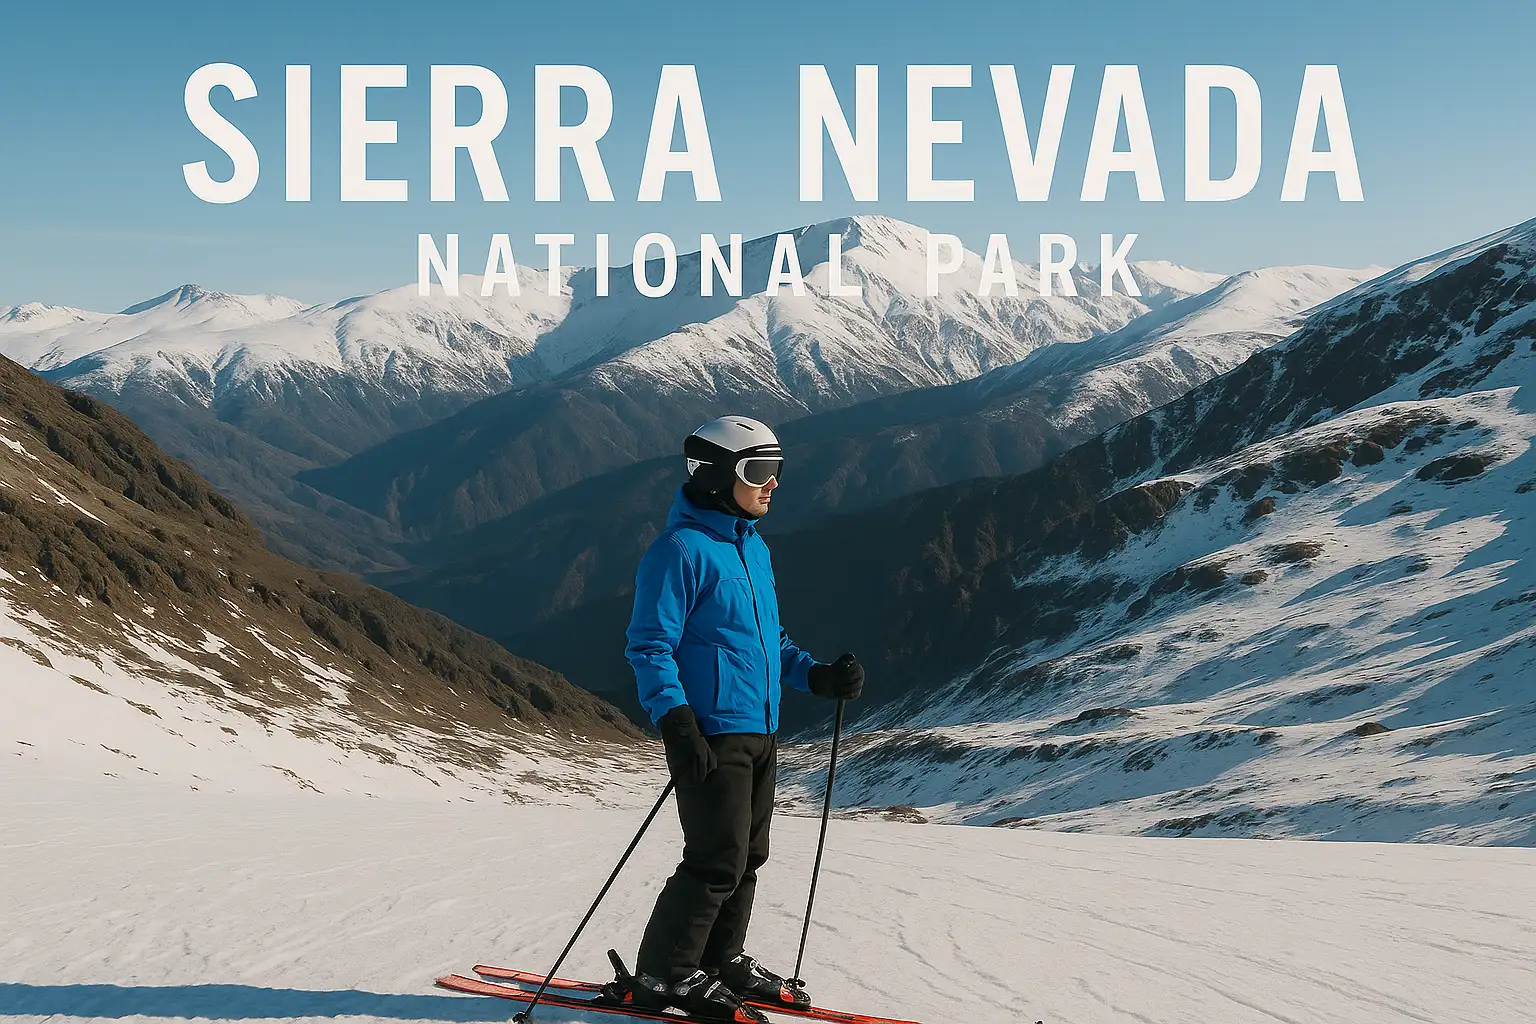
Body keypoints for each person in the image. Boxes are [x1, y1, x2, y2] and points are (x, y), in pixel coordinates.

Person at [622, 415, 866, 1023]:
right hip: (711, 734)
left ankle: (721, 959)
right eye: (758, 472)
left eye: (777, 472)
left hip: (759, 729)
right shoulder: (679, 552)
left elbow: (768, 642)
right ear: (715, 475)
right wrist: (676, 720)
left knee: (748, 856)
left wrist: (815, 676)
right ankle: (666, 975)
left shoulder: (750, 548)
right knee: (714, 859)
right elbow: (649, 645)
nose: (772, 485)